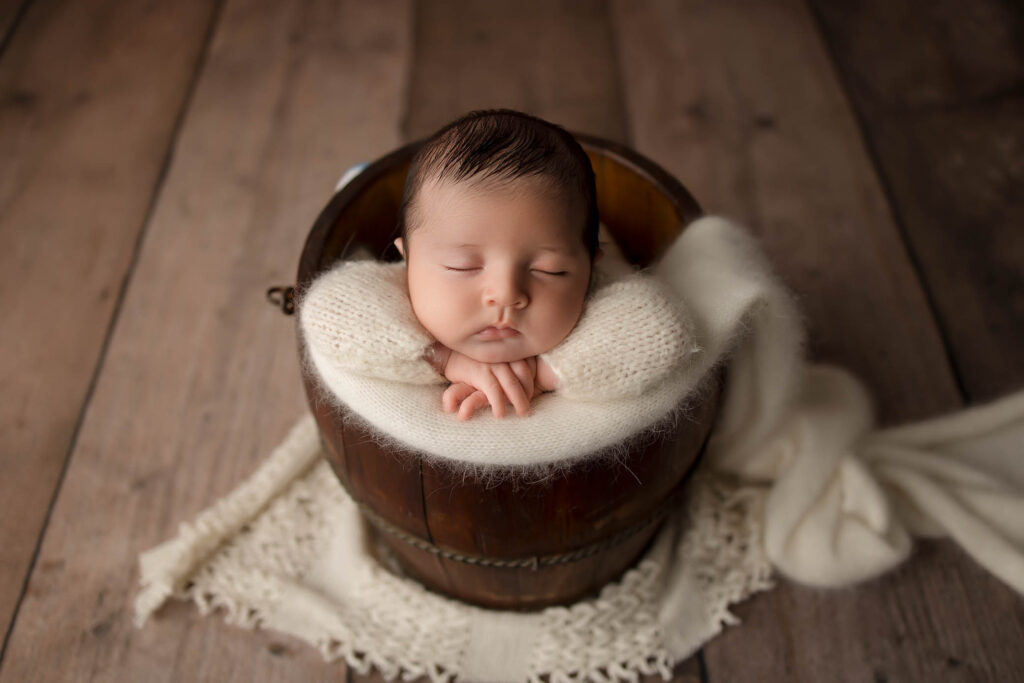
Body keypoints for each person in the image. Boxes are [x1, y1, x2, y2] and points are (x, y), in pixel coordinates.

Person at [392, 109, 602, 420]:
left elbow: (659, 337)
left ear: (591, 270)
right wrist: (446, 360)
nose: (505, 295)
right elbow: (328, 317)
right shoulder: (385, 298)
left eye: (549, 270)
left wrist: (544, 373)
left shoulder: (607, 305)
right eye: (462, 266)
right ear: (407, 260)